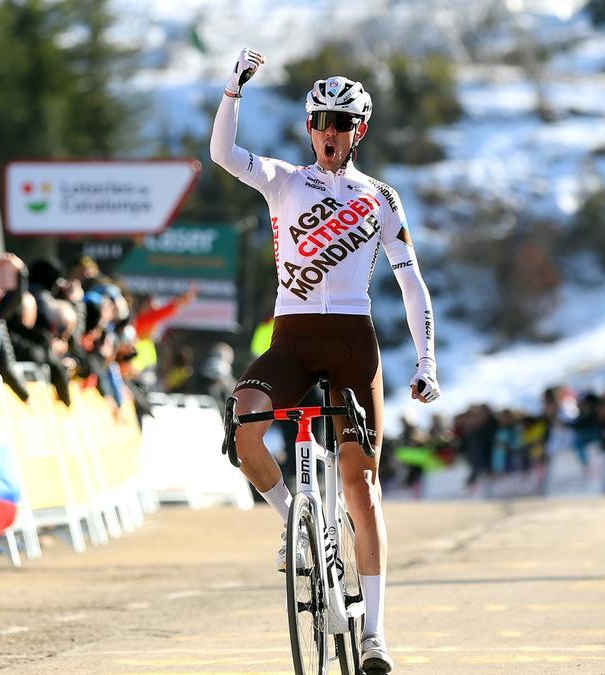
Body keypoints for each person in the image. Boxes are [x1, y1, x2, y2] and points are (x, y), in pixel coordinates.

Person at [210, 47, 440, 673]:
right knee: (246, 419)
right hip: (292, 338)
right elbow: (223, 156)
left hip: (352, 344)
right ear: (308, 128)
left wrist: (426, 363)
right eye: (321, 122)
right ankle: (292, 523)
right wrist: (234, 92)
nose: (330, 132)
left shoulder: (380, 198)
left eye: (343, 123)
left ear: (358, 132)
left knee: (361, 485)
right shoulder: (283, 179)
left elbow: (411, 282)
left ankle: (374, 635)